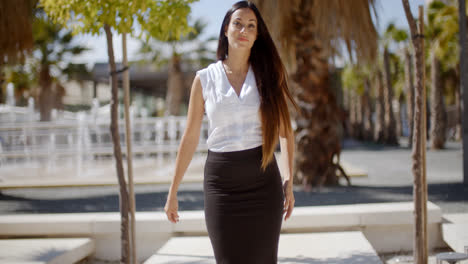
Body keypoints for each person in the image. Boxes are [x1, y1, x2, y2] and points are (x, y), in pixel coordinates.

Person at [164, 1, 297, 263]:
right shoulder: (204, 79)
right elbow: (190, 137)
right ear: (226, 29)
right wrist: (172, 191)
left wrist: (289, 180)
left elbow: (285, 132)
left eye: (251, 26)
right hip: (221, 187)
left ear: (258, 35)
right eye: (237, 23)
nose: (243, 30)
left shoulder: (268, 76)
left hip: (263, 185)